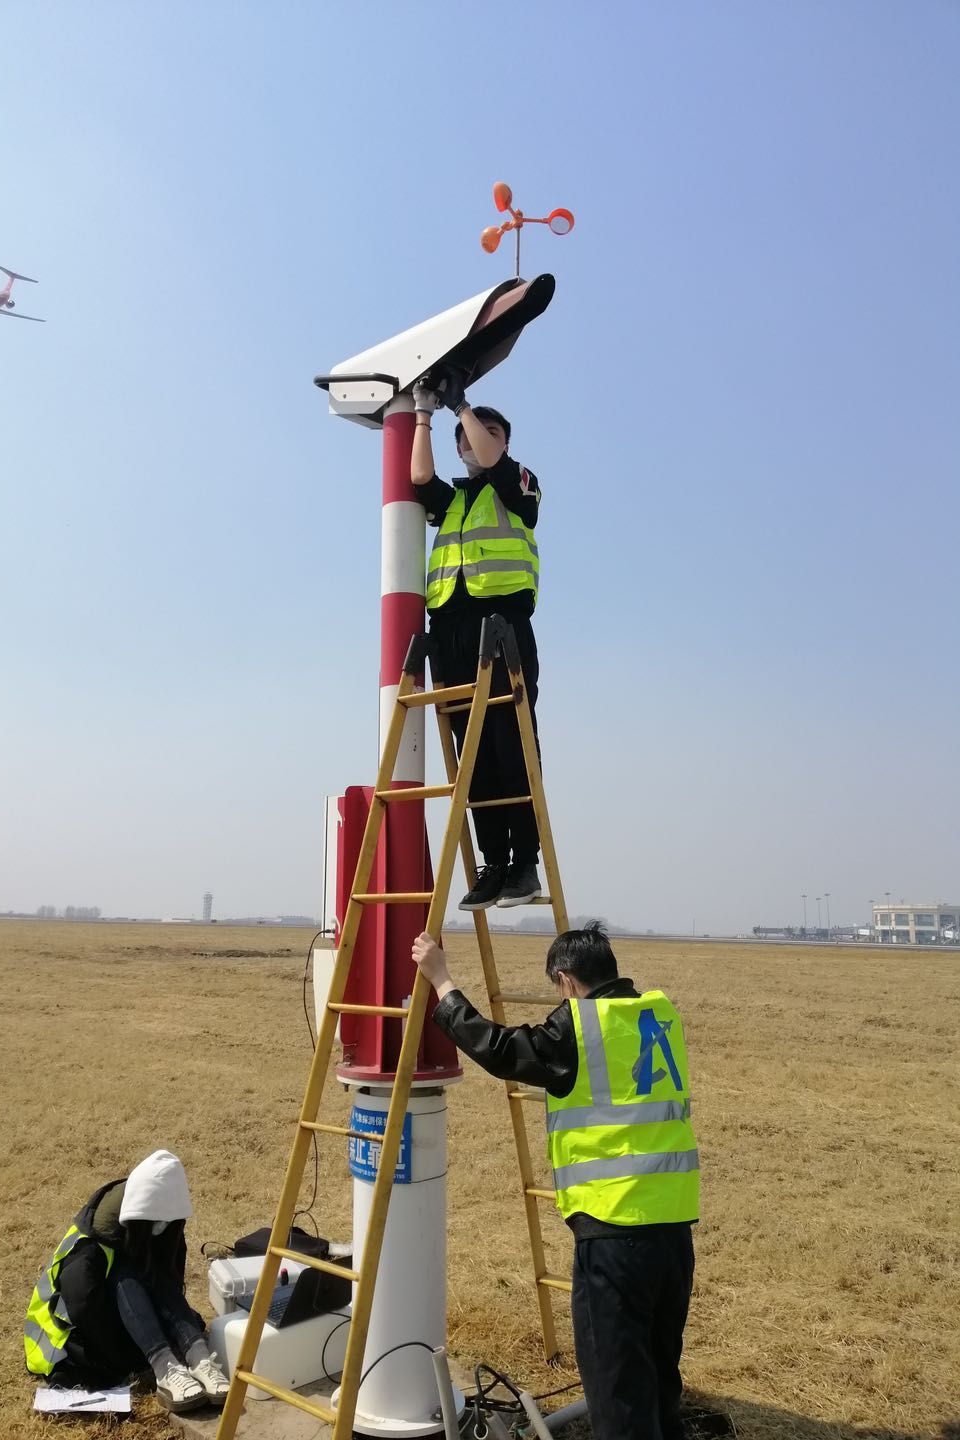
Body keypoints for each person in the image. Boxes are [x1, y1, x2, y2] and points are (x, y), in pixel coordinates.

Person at [412, 925, 699, 1440]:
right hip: (674, 1230)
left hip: (614, 1234)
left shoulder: (581, 1026)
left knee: (618, 1391)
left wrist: (442, 981)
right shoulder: (660, 1011)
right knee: (658, 1375)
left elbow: (501, 1050)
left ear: (565, 980)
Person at [411, 367, 543, 912]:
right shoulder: (457, 499)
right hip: (452, 633)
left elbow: (491, 457)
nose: (469, 439)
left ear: (504, 441)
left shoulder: (520, 484)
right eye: (462, 434)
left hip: (504, 627)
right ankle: (492, 864)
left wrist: (462, 404)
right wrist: (423, 411)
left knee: (511, 747)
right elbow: (419, 481)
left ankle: (524, 864)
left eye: (482, 432)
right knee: (472, 756)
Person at [24, 1149, 231, 1414]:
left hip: (117, 1318)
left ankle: (200, 1359)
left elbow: (169, 1279)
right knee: (125, 1275)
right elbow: (84, 1309)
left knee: (153, 1274)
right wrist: (131, 1359)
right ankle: (165, 1370)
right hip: (66, 1338)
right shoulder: (89, 1252)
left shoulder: (158, 1222)